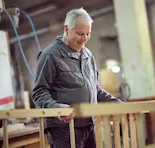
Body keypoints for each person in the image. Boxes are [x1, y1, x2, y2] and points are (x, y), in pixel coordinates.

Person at [32, 8, 122, 148]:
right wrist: (57, 108)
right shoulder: (50, 55)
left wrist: (117, 103)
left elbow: (95, 89)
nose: (84, 38)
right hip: (64, 130)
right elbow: (39, 92)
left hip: (90, 125)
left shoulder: (87, 55)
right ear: (67, 29)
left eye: (87, 33)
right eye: (80, 33)